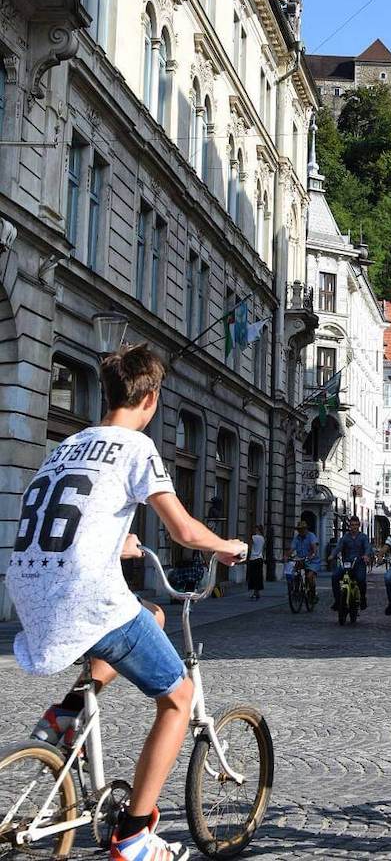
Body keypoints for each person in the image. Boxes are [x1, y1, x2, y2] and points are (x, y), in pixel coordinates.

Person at [6, 344, 246, 861]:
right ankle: (136, 833)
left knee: (150, 615)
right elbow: (182, 529)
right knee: (178, 697)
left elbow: (65, 518)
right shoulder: (136, 448)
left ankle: (67, 712)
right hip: (85, 596)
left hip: (29, 589)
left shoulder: (67, 446)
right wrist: (226, 546)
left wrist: (119, 543)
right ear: (152, 399)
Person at [330, 515, 372, 610]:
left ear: (359, 525)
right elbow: (338, 547)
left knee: (361, 579)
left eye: (356, 525)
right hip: (346, 563)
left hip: (359, 564)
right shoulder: (345, 537)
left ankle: (362, 597)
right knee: (335, 576)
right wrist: (332, 555)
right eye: (352, 525)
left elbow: (367, 547)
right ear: (350, 526)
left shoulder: (363, 537)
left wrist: (366, 555)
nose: (354, 527)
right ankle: (337, 600)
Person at [285, 519, 321, 604]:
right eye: (299, 529)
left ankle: (313, 594)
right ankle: (296, 591)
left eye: (302, 529)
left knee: (309, 577)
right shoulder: (297, 538)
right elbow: (292, 548)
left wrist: (312, 555)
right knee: (295, 573)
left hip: (313, 561)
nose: (300, 531)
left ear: (306, 529)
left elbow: (314, 547)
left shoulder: (311, 536)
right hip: (301, 560)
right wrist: (287, 556)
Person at [247, 524, 265, 600]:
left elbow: (250, 547)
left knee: (253, 576)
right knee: (258, 576)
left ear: (257, 530)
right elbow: (262, 549)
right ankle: (257, 592)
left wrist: (247, 556)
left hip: (253, 558)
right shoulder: (263, 538)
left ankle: (255, 593)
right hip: (260, 559)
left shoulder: (253, 537)